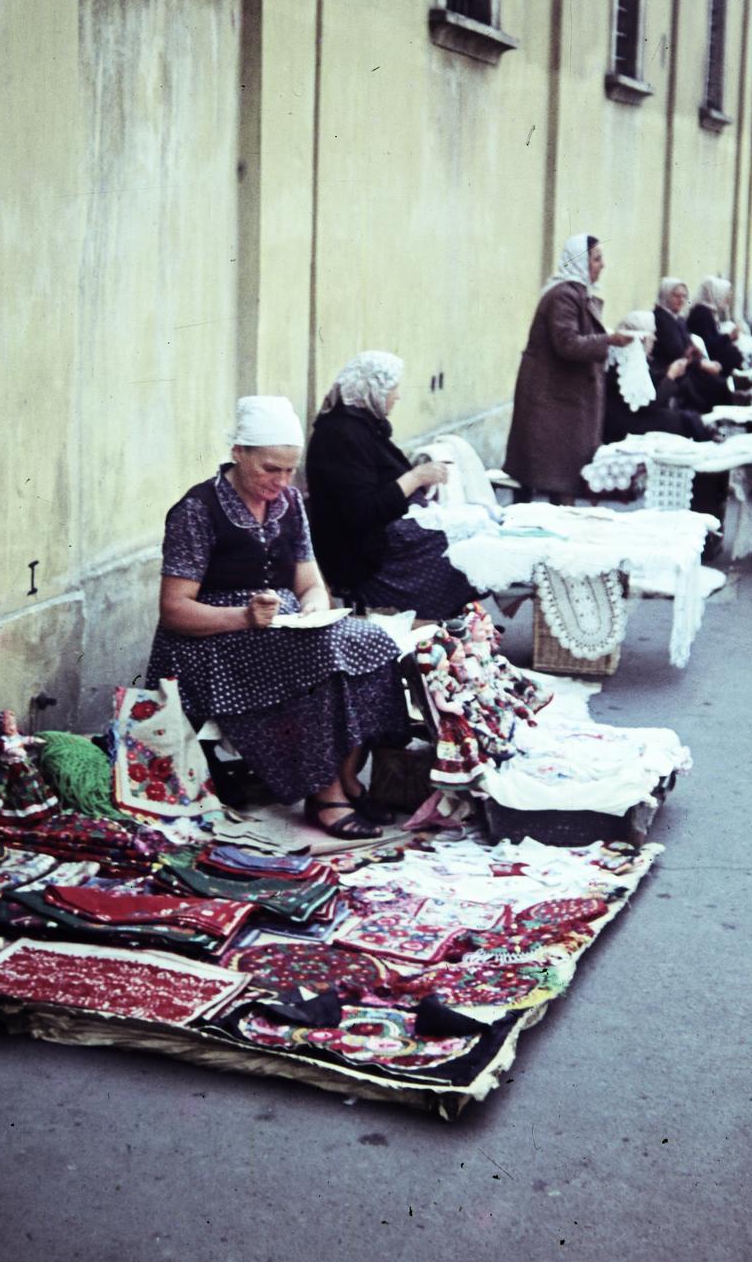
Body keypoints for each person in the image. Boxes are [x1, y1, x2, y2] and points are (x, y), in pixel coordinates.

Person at [145, 395, 410, 838]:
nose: (281, 481)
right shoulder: (197, 510)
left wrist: (313, 608)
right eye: (270, 468)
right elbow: (175, 611)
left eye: (289, 470)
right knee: (318, 658)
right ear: (238, 453)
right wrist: (245, 618)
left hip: (281, 629)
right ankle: (323, 794)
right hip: (211, 645)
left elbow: (310, 582)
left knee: (374, 643)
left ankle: (347, 778)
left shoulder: (289, 502)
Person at [305, 351, 477, 620]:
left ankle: (456, 627)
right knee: (459, 547)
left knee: (473, 529)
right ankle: (432, 625)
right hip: (364, 558)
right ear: (372, 389)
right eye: (393, 388)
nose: (397, 396)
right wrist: (416, 478)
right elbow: (362, 511)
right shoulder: (341, 435)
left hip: (383, 540)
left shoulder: (362, 426)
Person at [504, 234, 633, 503]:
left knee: (562, 474)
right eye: (596, 259)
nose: (603, 265)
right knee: (559, 475)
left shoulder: (577, 293)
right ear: (579, 262)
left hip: (563, 399)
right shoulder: (564, 295)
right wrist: (609, 339)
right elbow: (568, 343)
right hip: (552, 400)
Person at [602, 310, 709, 445]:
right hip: (624, 427)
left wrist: (683, 363)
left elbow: (652, 381)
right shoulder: (625, 361)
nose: (655, 338)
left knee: (685, 418)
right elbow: (650, 405)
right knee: (679, 421)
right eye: (652, 333)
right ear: (641, 336)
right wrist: (670, 376)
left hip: (631, 419)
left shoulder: (630, 357)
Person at [652, 278, 730, 411]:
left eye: (684, 296)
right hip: (669, 371)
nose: (681, 300)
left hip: (687, 367)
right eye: (676, 296)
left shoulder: (678, 318)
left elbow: (687, 347)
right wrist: (701, 363)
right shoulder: (660, 318)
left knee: (718, 382)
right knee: (711, 385)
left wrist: (696, 356)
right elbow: (676, 351)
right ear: (665, 295)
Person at [0, 710, 59, 823]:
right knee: (21, 788)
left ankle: (39, 808)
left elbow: (25, 739)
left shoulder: (17, 735)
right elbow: (9, 749)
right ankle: (22, 813)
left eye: (13, 724)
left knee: (35, 781)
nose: (12, 727)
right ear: (1, 727)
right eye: (8, 725)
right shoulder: (2, 741)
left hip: (24, 765)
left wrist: (35, 740)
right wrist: (17, 750)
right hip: (11, 770)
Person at [687, 276, 744, 381]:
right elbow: (708, 343)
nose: (728, 299)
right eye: (726, 296)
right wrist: (729, 337)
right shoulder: (702, 313)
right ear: (716, 294)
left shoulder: (709, 311)